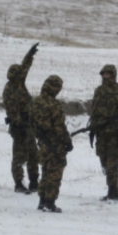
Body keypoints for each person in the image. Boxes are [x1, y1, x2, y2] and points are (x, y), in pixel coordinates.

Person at [90, 65, 118, 202]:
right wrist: (92, 128)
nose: (105, 76)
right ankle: (112, 190)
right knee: (103, 161)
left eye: (108, 74)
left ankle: (113, 191)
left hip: (115, 134)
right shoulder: (99, 91)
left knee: (113, 164)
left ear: (113, 74)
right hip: (101, 134)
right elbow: (94, 110)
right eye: (104, 74)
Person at [3, 44, 41, 194]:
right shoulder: (10, 90)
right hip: (20, 128)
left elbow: (25, 67)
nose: (22, 76)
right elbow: (12, 112)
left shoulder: (19, 83)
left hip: (29, 125)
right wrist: (21, 125)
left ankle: (34, 181)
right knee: (19, 156)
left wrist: (30, 55)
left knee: (33, 155)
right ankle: (19, 183)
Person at [33, 76, 73, 213]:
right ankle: (50, 203)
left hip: (42, 143)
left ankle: (42, 201)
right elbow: (59, 127)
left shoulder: (36, 101)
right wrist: (67, 142)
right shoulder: (54, 104)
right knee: (54, 174)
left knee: (45, 172)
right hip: (55, 144)